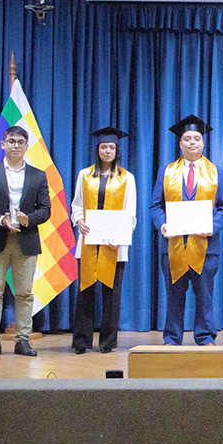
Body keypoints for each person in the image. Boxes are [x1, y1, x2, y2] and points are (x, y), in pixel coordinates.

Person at [150, 115, 223, 346]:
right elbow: (156, 206)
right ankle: (172, 338)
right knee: (173, 296)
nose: (192, 142)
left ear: (203, 142)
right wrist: (163, 224)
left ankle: (205, 337)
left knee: (205, 296)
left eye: (197, 138)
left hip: (206, 246)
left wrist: (212, 226)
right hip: (173, 244)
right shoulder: (166, 172)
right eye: (187, 139)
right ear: (180, 143)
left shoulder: (217, 172)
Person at [0, 126, 51, 358]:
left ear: (27, 146)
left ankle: (22, 341)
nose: (16, 145)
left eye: (20, 142)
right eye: (11, 141)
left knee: (24, 293)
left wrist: (29, 220)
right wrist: (0, 219)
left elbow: (45, 210)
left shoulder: (38, 175)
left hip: (25, 240)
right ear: (3, 145)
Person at [70, 127, 137, 354]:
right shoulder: (85, 175)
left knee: (112, 294)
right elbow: (77, 205)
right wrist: (79, 220)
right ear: (97, 149)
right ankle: (81, 341)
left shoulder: (127, 178)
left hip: (114, 244)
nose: (107, 151)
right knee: (85, 291)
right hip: (89, 240)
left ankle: (108, 342)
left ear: (117, 150)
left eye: (111, 147)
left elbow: (130, 212)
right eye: (103, 147)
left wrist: (121, 236)